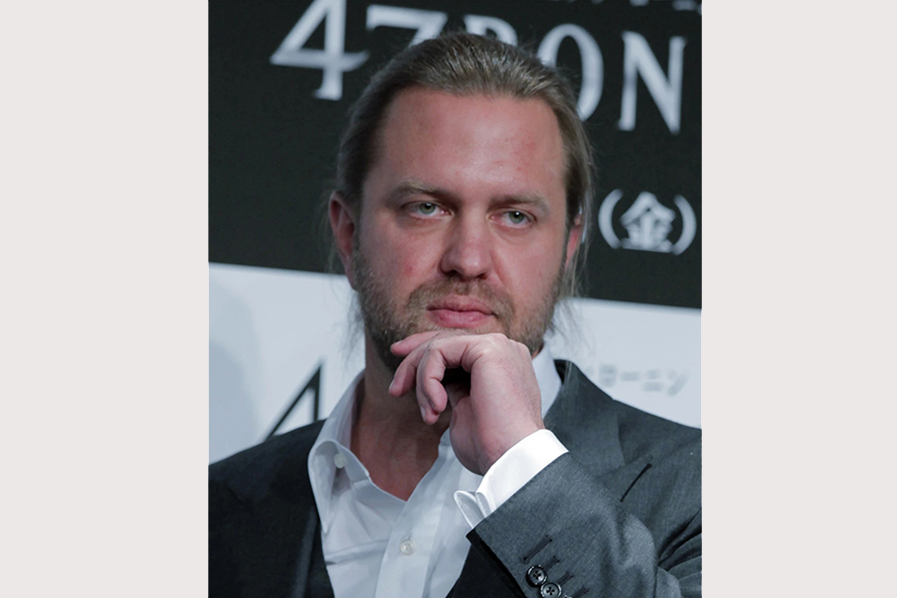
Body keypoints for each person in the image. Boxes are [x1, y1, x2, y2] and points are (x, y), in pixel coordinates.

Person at [209, 33, 701, 598]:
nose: (468, 259)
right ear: (348, 233)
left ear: (569, 247)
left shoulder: (696, 489)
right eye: (427, 207)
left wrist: (523, 468)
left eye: (514, 216)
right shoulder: (214, 510)